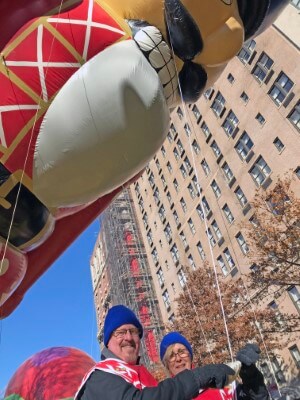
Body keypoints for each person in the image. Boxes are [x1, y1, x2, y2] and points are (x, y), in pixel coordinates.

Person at [75, 305, 235, 400]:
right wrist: (195, 378)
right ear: (108, 340)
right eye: (120, 332)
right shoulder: (100, 376)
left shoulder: (144, 376)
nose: (129, 337)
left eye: (133, 331)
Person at [160, 332, 270, 400]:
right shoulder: (166, 396)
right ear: (166, 364)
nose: (178, 358)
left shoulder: (219, 381)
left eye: (182, 351)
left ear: (190, 356)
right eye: (171, 355)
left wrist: (251, 376)